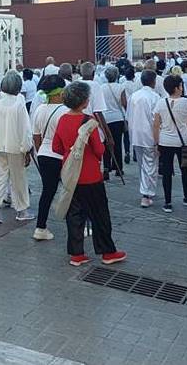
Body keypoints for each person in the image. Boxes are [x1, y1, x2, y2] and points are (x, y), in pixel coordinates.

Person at [52, 82, 126, 267]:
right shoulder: (90, 121)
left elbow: (56, 147)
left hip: (71, 176)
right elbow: (100, 150)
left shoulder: (62, 120)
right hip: (91, 176)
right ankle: (107, 252)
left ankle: (77, 254)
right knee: (100, 215)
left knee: (74, 214)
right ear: (84, 101)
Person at [0, 71, 34, 223]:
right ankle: (21, 210)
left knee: (0, 176)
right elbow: (25, 130)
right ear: (18, 87)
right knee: (18, 179)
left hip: (1, 146)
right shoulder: (19, 104)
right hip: (16, 147)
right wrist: (27, 149)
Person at [31, 75, 69, 241]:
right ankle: (77, 226)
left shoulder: (39, 110)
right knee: (71, 192)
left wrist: (42, 152)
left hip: (44, 155)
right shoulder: (66, 112)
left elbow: (36, 137)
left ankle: (40, 227)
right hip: (61, 156)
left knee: (47, 192)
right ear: (60, 93)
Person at [153, 75, 187, 212]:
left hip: (165, 141)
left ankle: (167, 202)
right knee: (185, 169)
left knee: (167, 172)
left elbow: (156, 125)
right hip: (183, 141)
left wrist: (156, 143)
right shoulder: (186, 102)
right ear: (177, 88)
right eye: (181, 86)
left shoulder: (160, 102)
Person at [127, 71, 161, 207]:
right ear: (153, 82)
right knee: (151, 165)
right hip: (149, 135)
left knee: (142, 165)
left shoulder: (134, 96)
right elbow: (156, 120)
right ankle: (146, 193)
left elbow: (129, 116)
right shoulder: (155, 97)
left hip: (136, 134)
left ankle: (146, 190)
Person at [101, 66, 126, 177]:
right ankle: (118, 168)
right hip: (117, 118)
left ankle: (106, 167)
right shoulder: (120, 87)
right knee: (117, 144)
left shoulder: (102, 88)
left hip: (106, 118)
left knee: (106, 144)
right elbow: (124, 103)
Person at [121, 67, 140, 164]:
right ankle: (136, 152)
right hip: (135, 111)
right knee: (135, 132)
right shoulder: (136, 85)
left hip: (126, 111)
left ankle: (127, 151)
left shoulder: (122, 85)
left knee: (126, 134)